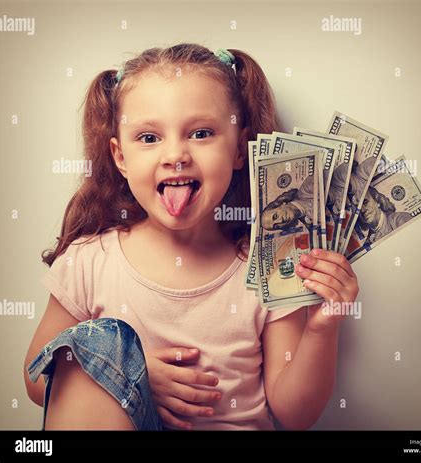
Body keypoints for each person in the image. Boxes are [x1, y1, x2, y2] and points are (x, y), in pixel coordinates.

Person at [23, 44, 359, 431]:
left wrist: (323, 327)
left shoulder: (268, 266)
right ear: (120, 156)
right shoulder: (89, 260)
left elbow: (294, 415)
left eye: (201, 133)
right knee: (96, 344)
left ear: (238, 148)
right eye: (149, 138)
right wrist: (126, 373)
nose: (175, 155)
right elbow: (36, 379)